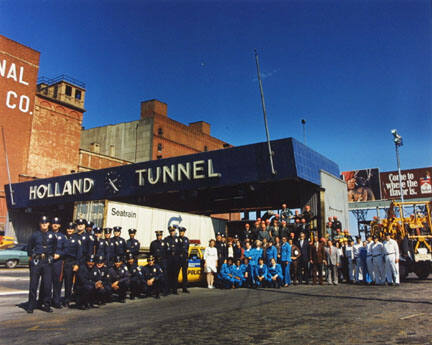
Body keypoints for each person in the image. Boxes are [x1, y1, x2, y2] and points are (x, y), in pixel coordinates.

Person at [26, 216, 57, 313]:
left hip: (47, 262)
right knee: (33, 284)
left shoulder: (52, 235)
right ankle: (31, 305)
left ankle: (46, 304)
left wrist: (51, 257)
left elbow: (54, 247)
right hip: (37, 261)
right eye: (42, 222)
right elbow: (29, 247)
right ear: (40, 224)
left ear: (49, 224)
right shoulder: (35, 235)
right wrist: (32, 258)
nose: (44, 224)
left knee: (47, 284)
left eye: (46, 222)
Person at [63, 221, 82, 307]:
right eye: (68, 228)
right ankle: (60, 299)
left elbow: (79, 253)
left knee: (70, 282)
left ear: (73, 230)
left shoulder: (77, 239)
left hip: (72, 262)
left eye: (71, 228)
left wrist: (77, 264)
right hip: (63, 261)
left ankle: (69, 299)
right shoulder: (63, 237)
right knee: (62, 282)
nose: (69, 230)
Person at [51, 217, 65, 309]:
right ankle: (44, 301)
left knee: (57, 282)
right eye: (53, 223)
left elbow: (66, 249)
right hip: (48, 261)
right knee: (46, 282)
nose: (55, 225)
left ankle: (56, 301)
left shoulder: (62, 237)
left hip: (58, 262)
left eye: (57, 223)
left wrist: (59, 254)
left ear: (59, 225)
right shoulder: (47, 234)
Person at [150, 230, 168, 295]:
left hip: (163, 262)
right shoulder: (153, 243)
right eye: (157, 235)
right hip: (156, 262)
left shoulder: (164, 243)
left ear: (162, 236)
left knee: (164, 276)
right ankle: (156, 290)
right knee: (156, 275)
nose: (159, 237)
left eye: (160, 235)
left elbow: (167, 253)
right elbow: (151, 253)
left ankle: (164, 290)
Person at [165, 226, 181, 295]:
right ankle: (168, 289)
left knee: (175, 275)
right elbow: (165, 249)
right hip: (169, 260)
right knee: (169, 275)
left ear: (175, 231)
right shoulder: (166, 239)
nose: (172, 232)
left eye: (173, 231)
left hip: (176, 260)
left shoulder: (178, 239)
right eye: (170, 231)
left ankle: (175, 289)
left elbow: (180, 249)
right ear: (169, 232)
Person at [178, 226, 190, 293]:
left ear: (184, 232)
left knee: (185, 274)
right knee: (176, 273)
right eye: (180, 231)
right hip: (178, 258)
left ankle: (184, 288)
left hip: (184, 259)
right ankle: (174, 288)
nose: (181, 233)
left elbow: (187, 249)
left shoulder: (186, 239)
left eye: (182, 232)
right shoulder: (177, 239)